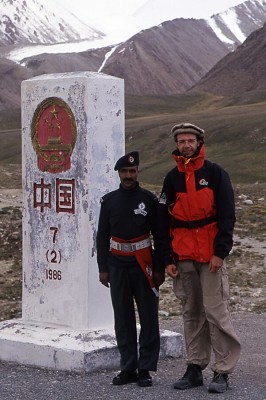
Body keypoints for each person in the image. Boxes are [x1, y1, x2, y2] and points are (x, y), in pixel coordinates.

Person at [157, 123, 241, 393]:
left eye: (190, 140)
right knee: (191, 313)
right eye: (181, 141)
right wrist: (167, 258)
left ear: (199, 142)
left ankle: (223, 370)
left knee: (216, 312)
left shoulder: (215, 173)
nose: (185, 145)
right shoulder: (172, 178)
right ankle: (195, 367)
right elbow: (163, 222)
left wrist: (220, 252)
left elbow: (227, 215)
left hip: (209, 257)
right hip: (183, 257)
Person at [96, 151, 165, 387]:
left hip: (143, 264)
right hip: (117, 265)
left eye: (132, 172)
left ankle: (145, 368)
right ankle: (128, 368)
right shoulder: (109, 201)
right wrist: (102, 268)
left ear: (137, 173)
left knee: (148, 317)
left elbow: (160, 236)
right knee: (122, 318)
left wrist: (159, 268)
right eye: (124, 172)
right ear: (119, 173)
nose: (128, 175)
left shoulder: (149, 200)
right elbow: (102, 236)